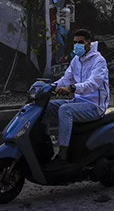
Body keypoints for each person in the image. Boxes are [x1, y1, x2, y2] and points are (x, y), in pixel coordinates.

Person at [46, 28, 109, 164]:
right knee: (46, 107)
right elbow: (66, 79)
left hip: (94, 106)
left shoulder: (99, 61)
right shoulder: (76, 60)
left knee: (65, 110)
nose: (77, 45)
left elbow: (92, 84)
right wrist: (49, 87)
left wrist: (72, 88)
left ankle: (63, 154)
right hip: (78, 102)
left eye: (81, 42)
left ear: (89, 43)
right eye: (75, 43)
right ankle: (45, 144)